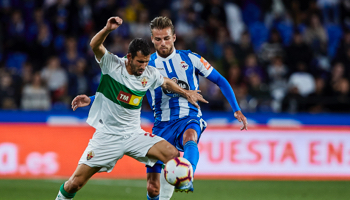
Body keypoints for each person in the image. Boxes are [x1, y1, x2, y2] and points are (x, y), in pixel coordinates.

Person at [77, 16, 248, 200]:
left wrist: (236, 108)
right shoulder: (145, 65)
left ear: (174, 37)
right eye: (158, 39)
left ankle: (186, 177)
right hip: (161, 125)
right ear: (152, 39)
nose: (163, 43)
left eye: (166, 38)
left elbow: (220, 80)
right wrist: (92, 99)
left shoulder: (191, 58)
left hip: (187, 116)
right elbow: (119, 88)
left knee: (190, 135)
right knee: (153, 188)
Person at [55, 16, 207, 200]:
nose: (144, 66)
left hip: (134, 134)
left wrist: (186, 92)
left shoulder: (149, 73)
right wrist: (107, 29)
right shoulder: (111, 65)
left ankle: (179, 183)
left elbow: (165, 82)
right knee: (75, 183)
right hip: (107, 137)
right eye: (140, 62)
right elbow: (95, 45)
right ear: (128, 58)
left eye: (146, 61)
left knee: (173, 154)